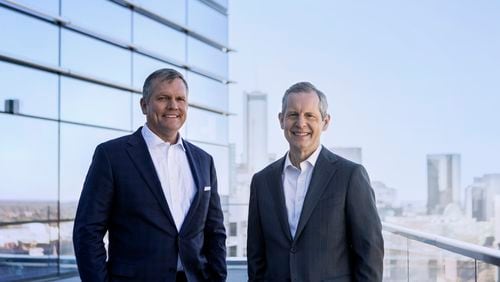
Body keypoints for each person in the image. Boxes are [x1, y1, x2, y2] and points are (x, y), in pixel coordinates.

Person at [73, 68, 227, 282]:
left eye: (180, 99)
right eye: (163, 98)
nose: (173, 106)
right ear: (144, 105)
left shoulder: (204, 161)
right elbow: (88, 232)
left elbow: (215, 231)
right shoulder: (111, 156)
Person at [247, 82, 384, 282]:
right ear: (281, 120)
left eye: (310, 116)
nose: (300, 123)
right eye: (293, 114)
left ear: (325, 122)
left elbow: (369, 252)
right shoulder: (262, 181)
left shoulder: (350, 176)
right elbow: (256, 255)